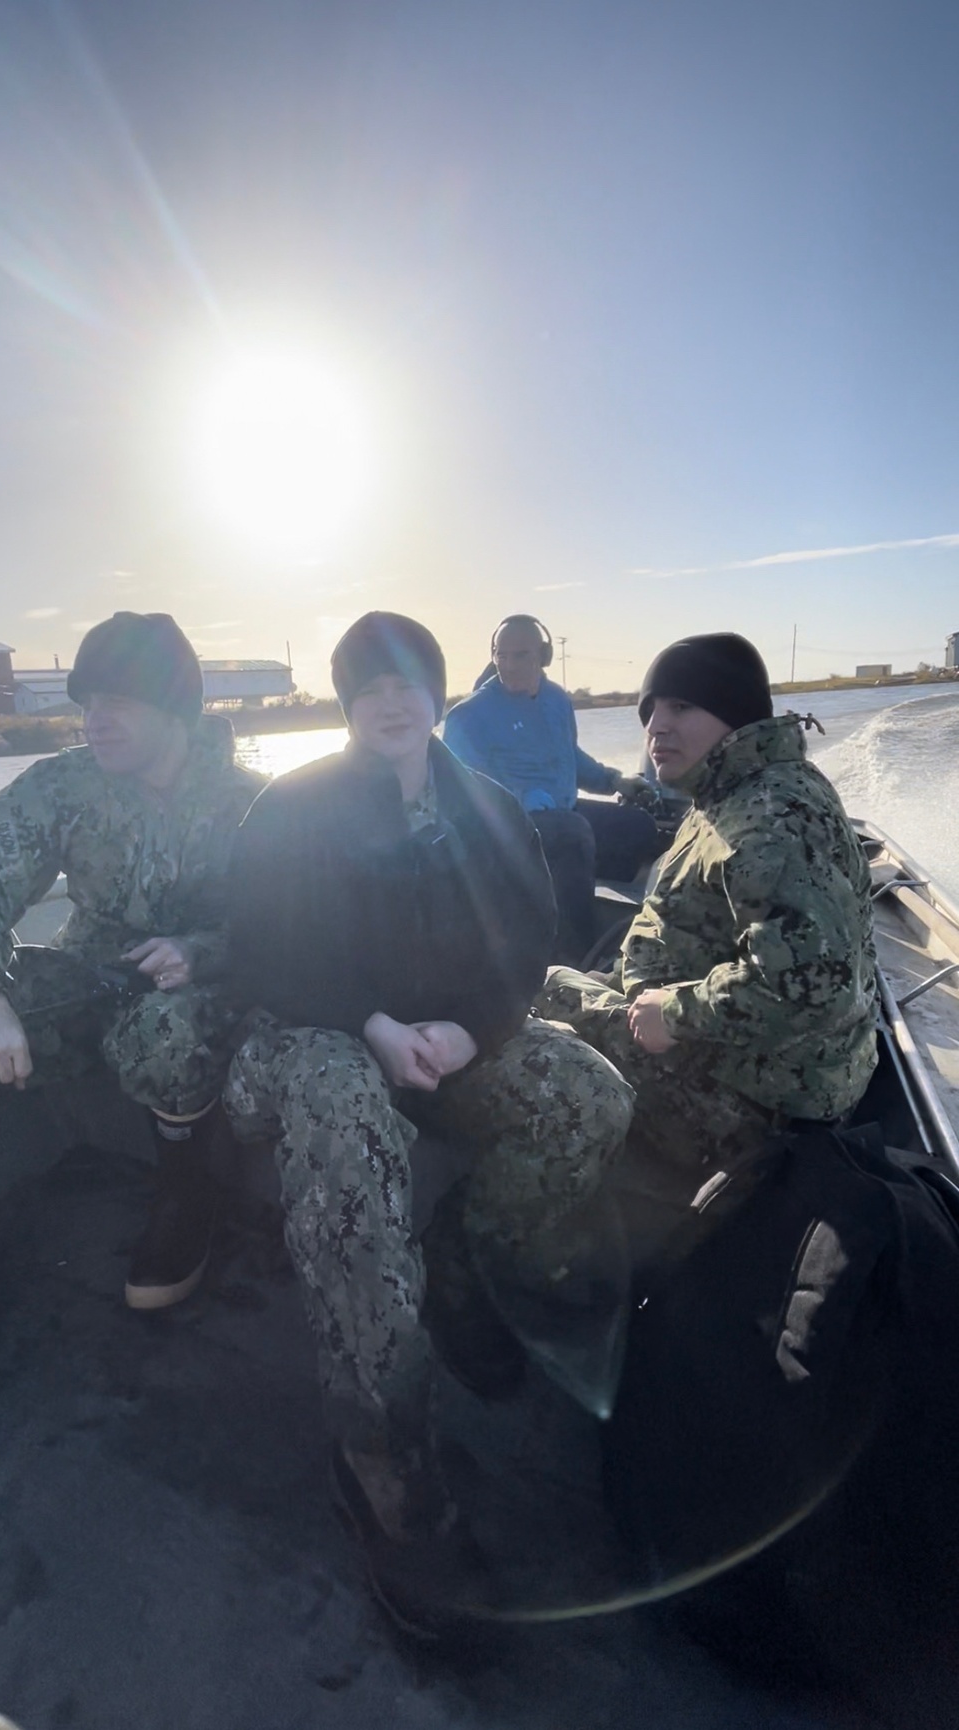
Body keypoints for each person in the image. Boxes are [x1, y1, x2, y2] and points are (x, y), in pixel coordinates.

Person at [222, 611, 634, 1631]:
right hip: (313, 1036)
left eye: (408, 680)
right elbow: (261, 952)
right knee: (347, 1121)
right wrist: (368, 1022)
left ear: (438, 692)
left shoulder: (488, 806)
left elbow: (525, 945)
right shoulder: (292, 807)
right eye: (366, 685)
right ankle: (382, 1458)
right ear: (346, 702)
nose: (389, 699)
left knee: (588, 1095)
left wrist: (464, 1027)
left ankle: (460, 1272)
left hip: (445, 1042)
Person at [539, 631, 879, 1268]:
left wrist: (674, 1014)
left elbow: (815, 985)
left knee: (547, 990)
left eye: (681, 708)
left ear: (736, 713)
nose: (656, 728)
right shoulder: (736, 788)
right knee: (578, 978)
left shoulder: (768, 816)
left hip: (758, 1110)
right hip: (759, 1066)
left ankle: (530, 1233)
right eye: (649, 713)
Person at [0, 612, 264, 1314]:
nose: (93, 721)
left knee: (170, 1034)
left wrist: (200, 950)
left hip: (193, 995)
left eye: (116, 702)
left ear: (174, 706)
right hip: (89, 976)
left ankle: (188, 1195)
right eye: (87, 704)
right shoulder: (65, 787)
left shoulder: (250, 802)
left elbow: (290, 926)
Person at [443, 613, 661, 964]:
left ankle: (620, 920)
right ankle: (574, 958)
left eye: (521, 655)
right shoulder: (468, 716)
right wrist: (524, 799)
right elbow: (469, 788)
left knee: (637, 826)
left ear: (544, 657)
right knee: (570, 833)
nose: (509, 665)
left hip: (561, 815)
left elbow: (567, 756)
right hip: (500, 830)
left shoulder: (557, 701)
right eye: (502, 654)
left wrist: (613, 780)